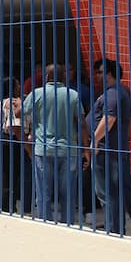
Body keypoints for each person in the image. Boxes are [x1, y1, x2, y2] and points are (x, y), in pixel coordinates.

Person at [87, 58, 131, 237]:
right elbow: (127, 124)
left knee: (106, 190)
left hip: (106, 150)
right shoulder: (122, 92)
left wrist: (94, 142)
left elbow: (109, 120)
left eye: (99, 72)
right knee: (123, 187)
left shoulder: (112, 94)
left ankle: (114, 227)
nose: (96, 76)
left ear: (108, 74)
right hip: (116, 148)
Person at [22, 64, 84, 224]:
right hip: (68, 150)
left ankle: (46, 224)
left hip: (43, 149)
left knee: (43, 192)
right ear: (64, 77)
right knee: (68, 193)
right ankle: (67, 223)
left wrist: (13, 103)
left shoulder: (37, 93)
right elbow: (82, 122)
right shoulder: (73, 95)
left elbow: (20, 112)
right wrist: (85, 149)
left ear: (46, 77)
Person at [0, 77, 31, 215]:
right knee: (11, 174)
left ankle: (4, 205)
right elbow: (16, 128)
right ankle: (8, 207)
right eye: (18, 85)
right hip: (8, 140)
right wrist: (28, 148)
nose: (20, 87)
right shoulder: (13, 103)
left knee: (2, 173)